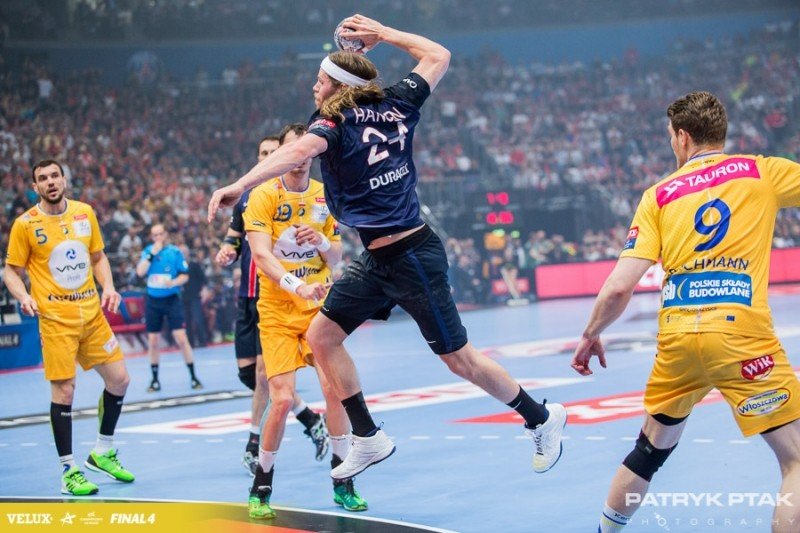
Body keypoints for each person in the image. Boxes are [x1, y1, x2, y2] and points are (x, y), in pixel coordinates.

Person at [208, 14, 567, 482]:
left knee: (459, 360)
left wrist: (239, 184)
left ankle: (540, 417)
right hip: (379, 257)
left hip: (412, 256)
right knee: (322, 336)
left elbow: (296, 152)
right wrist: (385, 35)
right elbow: (438, 55)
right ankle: (368, 436)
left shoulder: (333, 122)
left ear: (339, 87)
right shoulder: (398, 101)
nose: (314, 87)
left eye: (320, 80)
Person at [571, 91, 800, 533]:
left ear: (682, 137)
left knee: (649, 451)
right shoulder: (763, 171)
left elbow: (619, 287)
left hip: (677, 340)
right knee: (795, 461)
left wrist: (590, 334)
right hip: (741, 336)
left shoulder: (658, 195)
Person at [243, 123, 367, 519]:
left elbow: (336, 255)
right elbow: (261, 256)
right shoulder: (263, 196)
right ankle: (261, 485)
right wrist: (298, 286)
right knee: (281, 400)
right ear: (282, 154)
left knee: (335, 392)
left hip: (318, 310)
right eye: (291, 151)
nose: (299, 158)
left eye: (305, 151)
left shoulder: (323, 195)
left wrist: (322, 242)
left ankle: (342, 479)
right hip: (278, 311)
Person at [4, 160, 135, 495]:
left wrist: (109, 286)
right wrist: (23, 296)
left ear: (64, 179)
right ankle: (68, 471)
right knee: (64, 392)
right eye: (42, 178)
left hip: (92, 316)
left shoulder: (84, 213)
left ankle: (102, 451)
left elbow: (98, 257)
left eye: (54, 176)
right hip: (56, 321)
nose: (50, 182)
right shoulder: (25, 224)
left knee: (119, 380)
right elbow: (11, 271)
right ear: (35, 187)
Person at [215, 133, 329, 475]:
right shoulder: (248, 199)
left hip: (276, 297)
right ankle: (310, 418)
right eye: (262, 153)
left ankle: (254, 446)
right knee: (248, 374)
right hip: (246, 296)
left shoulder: (288, 196)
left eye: (273, 153)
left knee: (266, 375)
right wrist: (227, 251)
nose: (267, 158)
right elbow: (233, 240)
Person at [135, 223, 202, 392]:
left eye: (160, 234)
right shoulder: (148, 251)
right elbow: (140, 272)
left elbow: (184, 276)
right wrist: (152, 254)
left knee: (181, 338)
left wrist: (173, 282)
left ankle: (193, 377)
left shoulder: (175, 252)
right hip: (153, 301)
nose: (158, 237)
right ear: (152, 237)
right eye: (155, 235)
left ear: (165, 234)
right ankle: (154, 380)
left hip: (172, 300)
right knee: (153, 341)